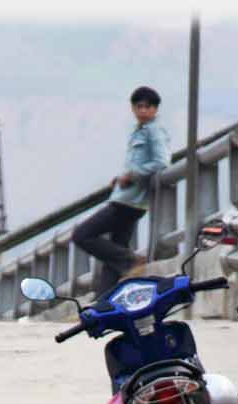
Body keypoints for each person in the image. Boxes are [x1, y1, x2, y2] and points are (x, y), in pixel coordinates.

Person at [71, 86, 170, 297]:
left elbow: (162, 161)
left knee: (82, 235)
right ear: (133, 108)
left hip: (129, 202)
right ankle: (103, 303)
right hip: (127, 199)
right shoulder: (139, 130)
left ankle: (130, 259)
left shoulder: (154, 131)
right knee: (112, 256)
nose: (143, 110)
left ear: (155, 109)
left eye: (148, 107)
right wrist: (121, 178)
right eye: (138, 106)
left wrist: (132, 175)